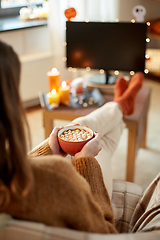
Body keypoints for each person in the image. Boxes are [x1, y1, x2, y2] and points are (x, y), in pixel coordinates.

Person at [0, 40, 143, 234]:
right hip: (93, 202)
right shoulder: (56, 175)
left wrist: (48, 152)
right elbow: (105, 231)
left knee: (87, 132)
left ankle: (121, 105)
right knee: (93, 136)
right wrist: (85, 162)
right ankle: (122, 104)